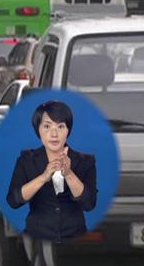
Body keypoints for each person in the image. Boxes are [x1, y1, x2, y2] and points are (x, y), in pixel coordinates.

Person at [6, 100, 97, 242]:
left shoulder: (85, 161)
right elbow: (13, 200)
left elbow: (89, 204)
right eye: (47, 127)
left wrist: (69, 174)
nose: (54, 134)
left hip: (75, 238)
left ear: (68, 130)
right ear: (38, 130)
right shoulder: (27, 160)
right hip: (37, 237)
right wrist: (43, 177)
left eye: (60, 127)